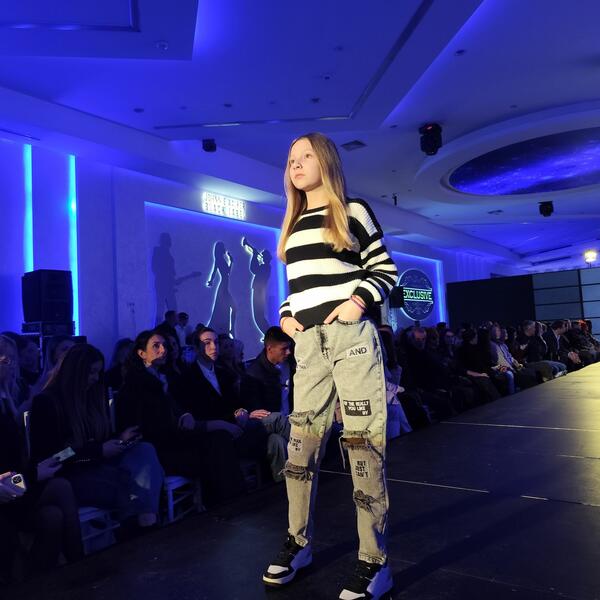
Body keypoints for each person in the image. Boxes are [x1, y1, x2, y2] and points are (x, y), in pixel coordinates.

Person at [262, 132, 397, 599]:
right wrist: (285, 316)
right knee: (299, 449)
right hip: (308, 347)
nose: (296, 164)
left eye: (305, 156)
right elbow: (299, 287)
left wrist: (357, 303)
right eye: (291, 159)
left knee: (362, 447)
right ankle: (297, 543)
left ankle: (374, 561)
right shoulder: (293, 224)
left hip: (349, 340)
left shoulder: (352, 211)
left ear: (326, 161)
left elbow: (384, 270)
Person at [29, 344, 164, 529]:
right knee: (135, 481)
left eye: (98, 373)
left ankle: (142, 523)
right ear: (75, 371)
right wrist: (97, 451)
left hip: (96, 463)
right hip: (70, 473)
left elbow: (97, 439)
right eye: (91, 372)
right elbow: (54, 457)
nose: (95, 378)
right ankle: (145, 524)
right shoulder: (47, 403)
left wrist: (119, 438)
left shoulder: (90, 397)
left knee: (144, 450)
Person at [116, 330, 245, 507]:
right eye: (156, 346)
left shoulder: (162, 379)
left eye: (164, 345)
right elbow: (144, 426)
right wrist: (183, 424)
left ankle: (229, 503)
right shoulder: (136, 385)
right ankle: (226, 505)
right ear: (142, 353)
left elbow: (174, 409)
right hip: (158, 448)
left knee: (219, 439)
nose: (163, 350)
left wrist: (184, 415)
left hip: (174, 438)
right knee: (215, 446)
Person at [0, 335, 82, 580]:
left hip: (23, 479)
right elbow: (50, 449)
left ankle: (41, 580)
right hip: (16, 484)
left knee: (53, 515)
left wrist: (86, 450)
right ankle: (80, 568)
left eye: (12, 360)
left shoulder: (83, 397)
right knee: (62, 487)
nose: (12, 365)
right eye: (6, 360)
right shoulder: (46, 399)